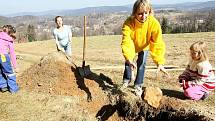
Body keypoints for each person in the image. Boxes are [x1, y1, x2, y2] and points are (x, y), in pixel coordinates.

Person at [120, 0, 168, 96]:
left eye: (146, 13)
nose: (143, 16)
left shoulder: (154, 23)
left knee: (141, 64)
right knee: (129, 62)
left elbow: (157, 43)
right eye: (140, 14)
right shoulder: (128, 23)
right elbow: (127, 41)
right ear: (135, 13)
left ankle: (138, 85)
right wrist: (129, 58)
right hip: (132, 45)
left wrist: (159, 62)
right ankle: (126, 80)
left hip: (145, 45)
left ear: (149, 11)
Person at [0, 25, 19, 93]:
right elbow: (12, 54)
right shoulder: (9, 40)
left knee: (0, 72)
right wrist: (15, 67)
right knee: (9, 72)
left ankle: (3, 86)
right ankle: (13, 88)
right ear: (10, 34)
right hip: (3, 56)